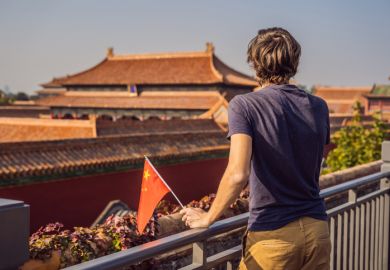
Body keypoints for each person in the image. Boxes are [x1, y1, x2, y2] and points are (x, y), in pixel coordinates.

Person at [180, 27, 331, 270]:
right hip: (317, 229)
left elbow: (238, 173)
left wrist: (207, 218)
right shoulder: (318, 106)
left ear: (255, 63)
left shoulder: (244, 105)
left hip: (274, 236)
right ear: (295, 61)